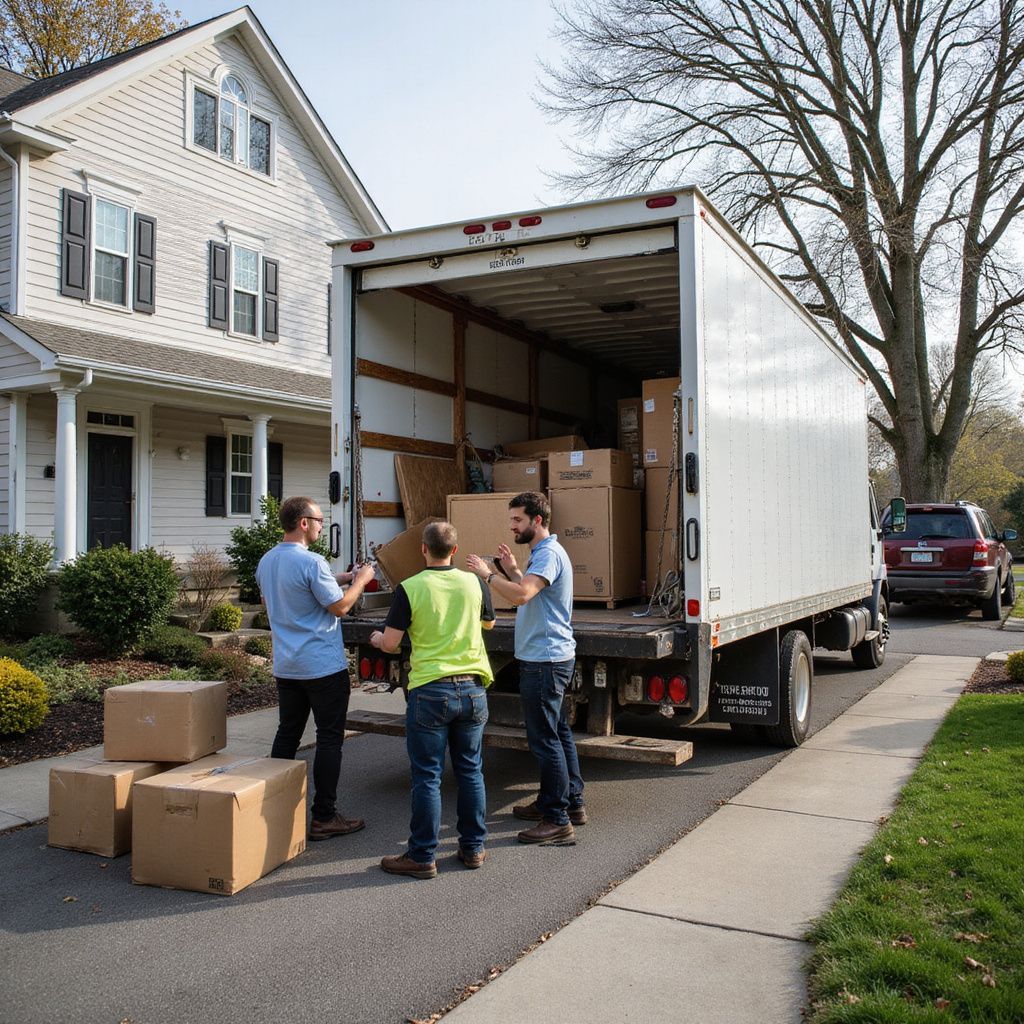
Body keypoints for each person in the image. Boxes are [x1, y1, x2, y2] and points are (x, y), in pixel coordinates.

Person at [369, 521, 495, 879]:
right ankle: (473, 849)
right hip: (472, 689)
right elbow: (489, 626)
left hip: (430, 691)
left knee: (428, 776)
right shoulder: (475, 582)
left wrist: (378, 639)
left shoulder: (410, 588)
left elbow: (391, 644)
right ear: (454, 551)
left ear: (423, 549)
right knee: (471, 770)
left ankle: (422, 855)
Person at [466, 491, 585, 845]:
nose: (512, 526)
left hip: (545, 660)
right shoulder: (543, 554)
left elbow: (521, 596)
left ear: (537, 520)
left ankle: (557, 820)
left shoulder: (547, 554)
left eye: (517, 520)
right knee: (558, 731)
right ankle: (569, 801)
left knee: (544, 739)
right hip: (550, 656)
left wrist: (488, 576)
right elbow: (530, 588)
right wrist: (514, 570)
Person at [256, 495, 376, 841]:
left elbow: (277, 596)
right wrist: (361, 579)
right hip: (322, 667)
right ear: (304, 522)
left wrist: (342, 575)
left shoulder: (267, 561)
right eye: (319, 520)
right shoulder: (311, 562)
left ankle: (270, 807)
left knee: (287, 735)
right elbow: (340, 607)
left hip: (288, 666)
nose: (323, 526)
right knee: (328, 740)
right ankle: (324, 816)